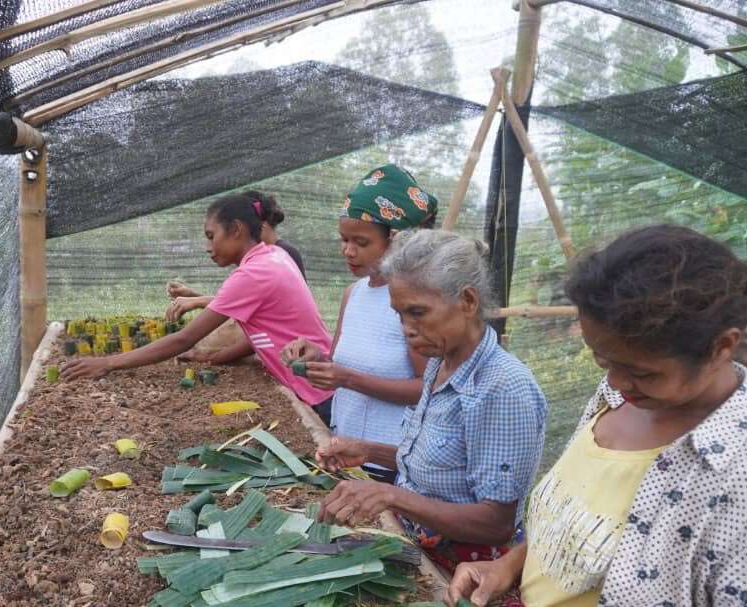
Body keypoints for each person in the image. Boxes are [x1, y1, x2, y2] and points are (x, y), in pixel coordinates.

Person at [446, 225, 747, 607]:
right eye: (602, 360)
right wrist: (509, 566)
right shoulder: (615, 396)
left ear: (721, 347)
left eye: (643, 372)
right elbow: (581, 530)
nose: (616, 381)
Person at [313, 229, 548, 578]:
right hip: (418, 549)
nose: (407, 329)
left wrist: (391, 496)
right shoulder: (442, 362)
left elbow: (495, 523)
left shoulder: (501, 388)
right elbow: (445, 469)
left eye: (418, 312)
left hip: (464, 572)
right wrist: (369, 451)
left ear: (467, 302)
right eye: (400, 315)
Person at [60, 191, 334, 414]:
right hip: (323, 378)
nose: (207, 247)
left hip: (319, 390)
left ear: (236, 229)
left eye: (211, 236)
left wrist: (108, 363)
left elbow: (184, 339)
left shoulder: (254, 273)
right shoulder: (272, 255)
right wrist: (214, 356)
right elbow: (265, 327)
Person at [280, 164, 436, 483]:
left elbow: (428, 389)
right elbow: (339, 366)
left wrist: (348, 379)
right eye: (344, 239)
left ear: (395, 240)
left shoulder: (418, 302)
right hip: (343, 455)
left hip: (391, 466)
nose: (348, 251)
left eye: (361, 243)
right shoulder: (354, 294)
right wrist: (316, 359)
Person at [165, 191, 305, 321]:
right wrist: (193, 296)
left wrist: (197, 300)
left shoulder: (281, 256)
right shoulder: (262, 258)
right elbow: (239, 303)